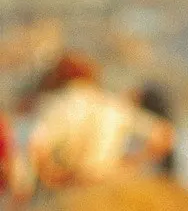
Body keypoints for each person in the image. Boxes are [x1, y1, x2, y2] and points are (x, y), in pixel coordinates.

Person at [22, 52, 174, 189]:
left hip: (67, 192)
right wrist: (126, 165)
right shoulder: (114, 105)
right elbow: (164, 135)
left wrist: (55, 178)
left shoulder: (58, 103)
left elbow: (35, 144)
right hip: (106, 188)